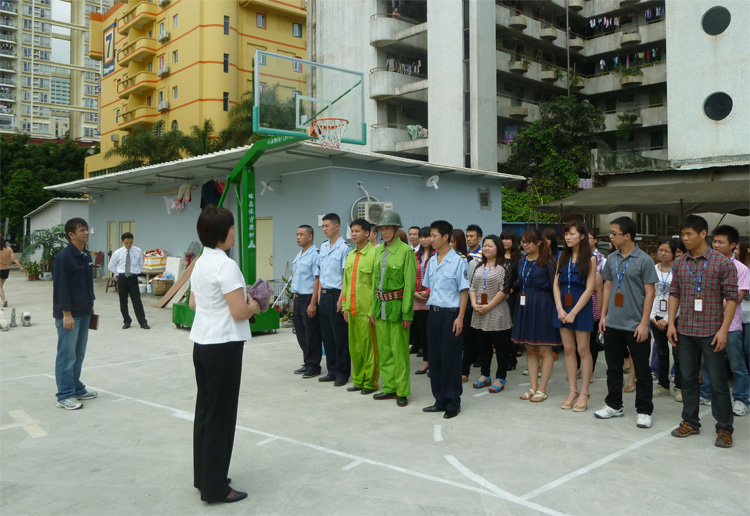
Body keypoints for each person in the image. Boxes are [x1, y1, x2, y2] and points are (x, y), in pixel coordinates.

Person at [189, 205, 260, 503]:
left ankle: (205, 476)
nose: (234, 231)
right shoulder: (226, 265)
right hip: (224, 347)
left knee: (206, 413)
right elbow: (239, 311)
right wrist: (257, 303)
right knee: (221, 417)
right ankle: (215, 488)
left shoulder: (201, 262)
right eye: (231, 227)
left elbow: (193, 304)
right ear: (221, 233)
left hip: (202, 344)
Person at [668, 215, 740, 448]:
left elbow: (731, 298)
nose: (684, 239)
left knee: (718, 383)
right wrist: (671, 323)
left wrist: (723, 330)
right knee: (688, 378)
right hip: (686, 331)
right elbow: (674, 294)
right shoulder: (680, 263)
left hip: (711, 332)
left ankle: (725, 428)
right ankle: (690, 421)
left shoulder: (722, 263)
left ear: (703, 233)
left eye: (689, 234)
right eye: (682, 234)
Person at [595, 216, 658, 429]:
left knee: (641, 370)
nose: (610, 237)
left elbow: (650, 293)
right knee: (613, 368)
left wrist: (643, 323)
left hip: (635, 325)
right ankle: (614, 405)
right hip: (613, 323)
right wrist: (603, 316)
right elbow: (607, 287)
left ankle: (644, 410)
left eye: (614, 233)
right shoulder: (611, 259)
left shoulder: (645, 260)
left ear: (627, 236)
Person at [698, 225, 749, 416]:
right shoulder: (706, 264)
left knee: (737, 364)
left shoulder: (740, 269)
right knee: (707, 362)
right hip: (708, 324)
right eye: (715, 241)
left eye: (721, 242)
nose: (716, 245)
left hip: (731, 326)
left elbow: (737, 297)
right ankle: (706, 393)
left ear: (733, 245)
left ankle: (741, 399)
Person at [422, 220, 470, 418]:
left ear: (445, 237)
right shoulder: (432, 260)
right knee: (435, 358)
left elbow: (464, 291)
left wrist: (460, 317)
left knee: (450, 359)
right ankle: (439, 399)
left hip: (451, 315)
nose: (430, 239)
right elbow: (429, 289)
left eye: (434, 236)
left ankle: (452, 402)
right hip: (433, 314)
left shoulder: (459, 261)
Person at [369, 210, 416, 407]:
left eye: (387, 228)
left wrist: (407, 313)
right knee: (385, 350)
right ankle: (388, 388)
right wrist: (372, 310)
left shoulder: (406, 252)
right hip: (380, 308)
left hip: (397, 307)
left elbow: (410, 284)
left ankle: (402, 391)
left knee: (399, 352)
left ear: (396, 229)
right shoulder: (378, 251)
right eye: (381, 228)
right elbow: (373, 283)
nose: (384, 231)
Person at [52, 218, 97, 410]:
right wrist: (66, 314)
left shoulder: (85, 255)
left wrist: (91, 306)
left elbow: (87, 285)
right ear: (71, 235)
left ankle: (76, 387)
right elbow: (61, 288)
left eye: (87, 229)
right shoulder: (64, 258)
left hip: (84, 311)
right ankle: (64, 395)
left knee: (78, 354)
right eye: (82, 230)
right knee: (66, 355)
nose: (86, 233)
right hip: (70, 315)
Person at [512, 228, 560, 402]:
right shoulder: (521, 261)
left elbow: (555, 287)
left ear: (539, 242)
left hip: (543, 304)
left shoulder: (548, 261)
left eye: (528, 242)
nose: (524, 245)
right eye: (523, 242)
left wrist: (558, 309)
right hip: (524, 304)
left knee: (545, 348)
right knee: (529, 348)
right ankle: (533, 386)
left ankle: (542, 388)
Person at [553, 221, 597, 412]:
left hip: (580, 308)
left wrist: (573, 312)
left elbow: (589, 289)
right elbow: (556, 285)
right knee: (568, 350)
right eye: (566, 234)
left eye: (572, 233)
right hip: (563, 307)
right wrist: (560, 309)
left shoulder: (591, 259)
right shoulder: (562, 256)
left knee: (583, 350)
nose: (568, 237)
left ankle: (585, 392)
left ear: (582, 236)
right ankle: (573, 391)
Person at [469, 235, 512, 394]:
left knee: (500, 346)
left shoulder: (504, 266)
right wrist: (474, 304)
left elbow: (504, 290)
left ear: (498, 248)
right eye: (485, 246)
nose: (486, 248)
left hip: (497, 312)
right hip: (479, 311)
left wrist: (488, 306)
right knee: (484, 345)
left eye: (490, 246)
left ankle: (500, 377)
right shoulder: (480, 266)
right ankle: (485, 375)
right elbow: (472, 287)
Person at [340, 219, 378, 395]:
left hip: (366, 311)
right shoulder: (351, 255)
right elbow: (347, 283)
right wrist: (346, 307)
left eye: (357, 231)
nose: (354, 234)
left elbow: (376, 285)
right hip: (352, 310)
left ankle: (370, 383)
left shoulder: (374, 255)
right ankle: (358, 380)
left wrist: (372, 310)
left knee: (369, 348)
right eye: (352, 231)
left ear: (367, 233)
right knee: (355, 348)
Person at [317, 213, 351, 386]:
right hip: (324, 295)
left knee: (340, 336)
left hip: (337, 295)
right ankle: (331, 370)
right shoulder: (323, 247)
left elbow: (346, 275)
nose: (324, 229)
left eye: (327, 226)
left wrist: (341, 298)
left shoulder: (344, 248)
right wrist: (318, 295)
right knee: (328, 336)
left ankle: (342, 373)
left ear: (337, 226)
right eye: (323, 226)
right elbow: (321, 274)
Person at [650, 239, 682, 401]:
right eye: (660, 250)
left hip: (674, 317)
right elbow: (649, 294)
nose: (662, 253)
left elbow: (681, 296)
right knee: (661, 352)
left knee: (677, 353)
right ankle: (663, 385)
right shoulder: (652, 269)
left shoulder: (678, 270)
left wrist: (668, 318)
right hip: (655, 316)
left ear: (674, 253)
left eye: (666, 251)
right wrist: (652, 317)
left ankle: (679, 387)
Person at [291, 225, 322, 379]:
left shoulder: (315, 255)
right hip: (298, 298)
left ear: (310, 237)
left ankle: (314, 365)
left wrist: (313, 303)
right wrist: (294, 298)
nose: (298, 237)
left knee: (312, 334)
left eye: (301, 234)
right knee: (301, 333)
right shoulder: (299, 255)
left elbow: (317, 279)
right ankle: (307, 361)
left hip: (309, 298)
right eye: (297, 234)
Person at [108, 232, 150, 330]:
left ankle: (143, 322)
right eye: (126, 243)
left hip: (133, 278)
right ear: (122, 241)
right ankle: (127, 321)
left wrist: (136, 272)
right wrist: (119, 274)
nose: (128, 245)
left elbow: (141, 263)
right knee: (123, 301)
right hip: (122, 278)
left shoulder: (137, 251)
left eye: (130, 242)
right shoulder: (117, 253)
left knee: (137, 301)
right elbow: (111, 266)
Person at [453, 229, 478, 382]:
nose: (449, 244)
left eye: (452, 241)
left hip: (465, 304)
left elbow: (471, 285)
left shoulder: (470, 261)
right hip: (449, 304)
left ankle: (464, 369)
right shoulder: (443, 260)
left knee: (466, 337)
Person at [500, 229, 522, 368]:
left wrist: (510, 290)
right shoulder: (498, 256)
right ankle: (504, 356)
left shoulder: (519, 258)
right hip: (498, 296)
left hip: (513, 297)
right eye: (502, 239)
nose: (505, 241)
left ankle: (512, 357)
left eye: (508, 238)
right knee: (501, 329)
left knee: (512, 327)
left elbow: (520, 278)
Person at [413, 227, 432, 375]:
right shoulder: (415, 256)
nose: (424, 240)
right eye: (422, 237)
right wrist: (414, 293)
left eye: (427, 236)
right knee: (423, 332)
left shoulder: (436, 255)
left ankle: (434, 362)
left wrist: (427, 293)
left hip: (431, 298)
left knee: (432, 332)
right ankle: (426, 361)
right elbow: (410, 276)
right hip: (417, 298)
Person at [0, 237, 24, 307]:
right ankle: (2, 297)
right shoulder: (9, 249)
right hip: (6, 269)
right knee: (1, 285)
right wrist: (20, 267)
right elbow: (14, 258)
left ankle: (4, 299)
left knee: (0, 286)